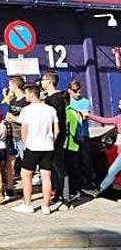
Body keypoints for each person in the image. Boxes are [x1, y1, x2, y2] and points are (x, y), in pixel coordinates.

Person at [12, 83, 58, 214]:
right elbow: (57, 130)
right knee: (46, 176)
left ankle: (28, 204)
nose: (25, 96)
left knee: (26, 174)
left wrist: (26, 146)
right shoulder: (50, 109)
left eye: (26, 93)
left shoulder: (27, 110)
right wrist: (51, 141)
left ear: (32, 95)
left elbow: (24, 130)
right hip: (48, 146)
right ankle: (45, 206)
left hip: (33, 146)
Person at [41, 71, 71, 210]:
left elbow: (55, 122)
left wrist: (53, 138)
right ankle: (58, 193)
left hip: (56, 139)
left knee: (60, 168)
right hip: (49, 138)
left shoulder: (56, 98)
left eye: (43, 79)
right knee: (53, 167)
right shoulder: (49, 98)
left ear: (50, 81)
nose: (41, 82)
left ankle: (67, 199)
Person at [83, 99, 121, 197]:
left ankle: (98, 190)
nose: (118, 105)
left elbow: (104, 120)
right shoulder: (119, 118)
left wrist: (88, 115)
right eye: (119, 103)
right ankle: (99, 190)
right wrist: (89, 115)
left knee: (112, 171)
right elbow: (104, 120)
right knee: (113, 171)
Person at [3, 76, 28, 198]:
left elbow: (27, 120)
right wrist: (11, 118)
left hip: (22, 136)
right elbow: (8, 115)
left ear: (15, 86)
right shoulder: (13, 101)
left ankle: (26, 188)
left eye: (10, 85)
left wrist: (15, 118)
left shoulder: (26, 101)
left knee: (25, 163)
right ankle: (10, 188)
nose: (9, 88)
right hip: (11, 136)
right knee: (10, 162)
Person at [68, 80, 96, 190]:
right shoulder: (67, 101)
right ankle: (77, 183)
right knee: (75, 161)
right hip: (71, 135)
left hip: (83, 135)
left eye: (79, 92)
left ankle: (89, 182)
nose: (78, 94)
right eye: (75, 92)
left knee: (86, 160)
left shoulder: (85, 102)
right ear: (70, 91)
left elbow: (85, 116)